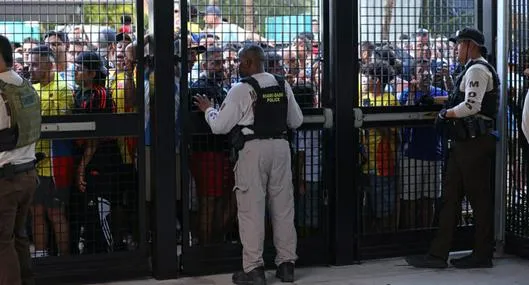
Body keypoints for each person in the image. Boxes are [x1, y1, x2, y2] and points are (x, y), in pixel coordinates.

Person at [194, 44, 303, 284]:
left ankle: (254, 269)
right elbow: (296, 121)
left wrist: (208, 109)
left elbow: (219, 126)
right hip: (281, 148)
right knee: (283, 208)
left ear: (251, 62)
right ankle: (287, 266)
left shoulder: (241, 89)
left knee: (251, 210)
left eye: (241, 62)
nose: (237, 66)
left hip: (253, 151)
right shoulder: (282, 84)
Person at [406, 27, 499, 269]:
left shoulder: (478, 69)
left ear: (471, 45)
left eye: (459, 44)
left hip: (474, 143)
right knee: (449, 198)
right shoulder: (471, 69)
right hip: (465, 143)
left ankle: (482, 254)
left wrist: (446, 113)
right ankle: (438, 255)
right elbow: (459, 99)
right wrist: (437, 101)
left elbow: (470, 106)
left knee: (477, 199)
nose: (456, 48)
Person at [0, 34, 41, 285]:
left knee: (2, 243)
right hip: (27, 174)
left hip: (6, 179)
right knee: (19, 236)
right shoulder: (24, 85)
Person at [29, 45, 74, 257]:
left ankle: (64, 259)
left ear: (49, 65)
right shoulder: (31, 89)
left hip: (56, 163)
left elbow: (62, 122)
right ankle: (40, 254)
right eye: (30, 64)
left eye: (36, 64)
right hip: (33, 162)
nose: (31, 69)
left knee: (55, 213)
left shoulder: (64, 89)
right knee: (36, 212)